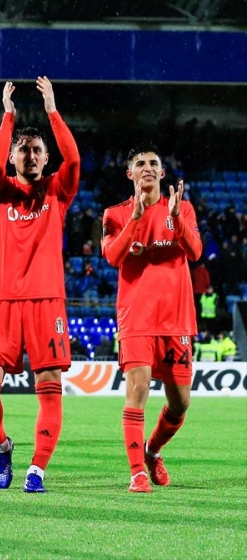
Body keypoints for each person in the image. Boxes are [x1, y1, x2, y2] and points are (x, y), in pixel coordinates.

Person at [0, 77, 80, 493]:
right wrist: (9, 117)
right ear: (14, 156)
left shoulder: (58, 190)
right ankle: (3, 446)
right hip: (1, 300)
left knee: (49, 390)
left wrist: (52, 109)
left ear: (45, 157)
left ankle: (37, 469)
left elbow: (73, 160)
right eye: (24, 149)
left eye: (38, 150)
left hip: (46, 301)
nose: (31, 154)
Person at [102, 145, 202, 493]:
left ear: (162, 173)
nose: (147, 168)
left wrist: (174, 219)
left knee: (180, 403)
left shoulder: (183, 207)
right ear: (129, 174)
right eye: (140, 164)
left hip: (177, 319)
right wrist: (136, 218)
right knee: (139, 390)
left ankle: (152, 451)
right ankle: (137, 473)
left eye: (154, 163)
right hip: (136, 319)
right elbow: (113, 257)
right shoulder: (114, 214)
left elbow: (196, 252)